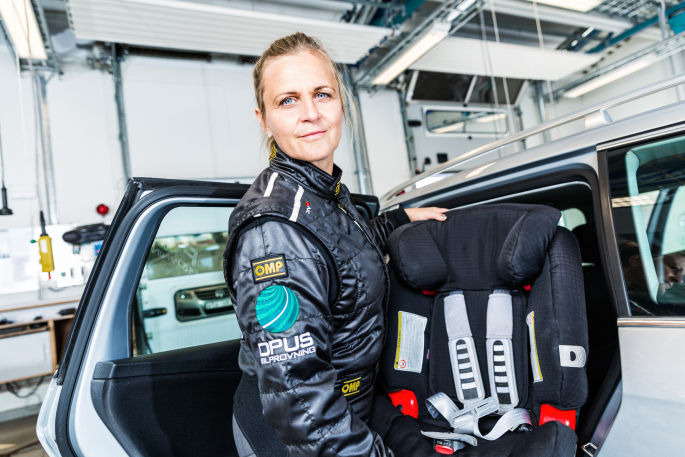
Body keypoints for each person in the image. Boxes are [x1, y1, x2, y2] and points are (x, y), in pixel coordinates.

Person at [222, 32, 446, 457]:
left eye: (322, 94)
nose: (311, 113)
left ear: (341, 102)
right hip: (302, 436)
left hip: (352, 407)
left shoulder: (323, 195)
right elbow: (300, 398)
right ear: (264, 120)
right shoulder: (274, 233)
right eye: (288, 100)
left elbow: (341, 250)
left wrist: (398, 220)